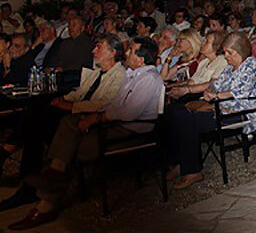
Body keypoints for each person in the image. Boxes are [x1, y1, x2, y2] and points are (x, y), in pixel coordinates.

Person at [8, 37, 162, 230]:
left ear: (141, 59)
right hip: (116, 124)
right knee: (67, 122)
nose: (127, 53)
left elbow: (127, 113)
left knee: (68, 146)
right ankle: (53, 177)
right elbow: (112, 105)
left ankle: (47, 202)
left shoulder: (148, 78)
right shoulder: (133, 75)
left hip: (129, 130)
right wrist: (91, 115)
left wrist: (96, 118)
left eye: (131, 50)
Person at [0, 35, 127, 210]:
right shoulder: (95, 72)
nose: (93, 51)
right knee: (36, 115)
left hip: (89, 122)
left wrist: (67, 105)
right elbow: (78, 93)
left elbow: (102, 103)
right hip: (75, 114)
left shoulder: (120, 75)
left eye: (98, 47)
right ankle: (27, 185)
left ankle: (23, 179)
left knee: (34, 124)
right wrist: (62, 100)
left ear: (113, 52)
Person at [166, 32, 256, 189]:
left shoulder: (250, 67)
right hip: (221, 107)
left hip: (238, 112)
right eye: (225, 52)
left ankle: (192, 171)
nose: (225, 56)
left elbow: (239, 94)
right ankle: (181, 162)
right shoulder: (231, 68)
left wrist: (216, 95)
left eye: (229, 53)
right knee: (175, 113)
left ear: (240, 52)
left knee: (188, 121)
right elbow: (216, 84)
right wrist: (210, 91)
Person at [166, 31, 227, 101]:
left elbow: (211, 84)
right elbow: (191, 81)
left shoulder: (222, 60)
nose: (202, 43)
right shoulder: (204, 62)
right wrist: (173, 86)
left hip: (205, 97)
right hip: (193, 94)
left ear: (216, 46)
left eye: (207, 41)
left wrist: (187, 90)